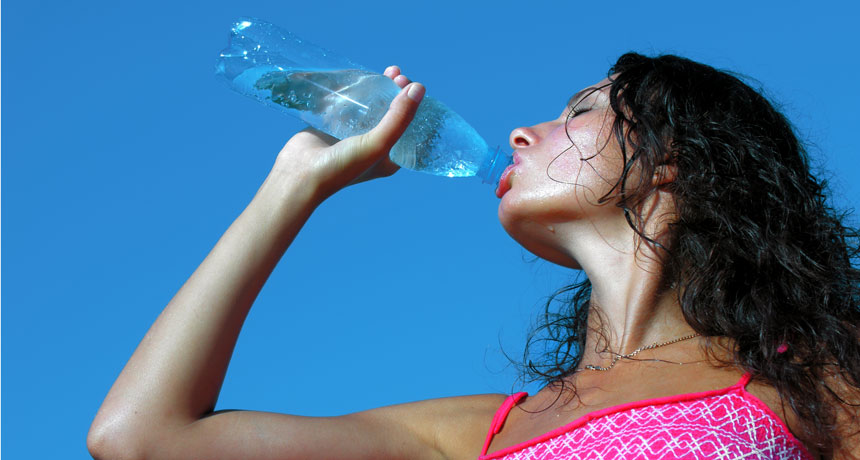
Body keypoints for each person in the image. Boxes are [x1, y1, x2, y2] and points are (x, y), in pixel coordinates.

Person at [88, 54, 860, 459]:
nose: (525, 132)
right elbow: (142, 438)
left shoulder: (813, 381)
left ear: (672, 162)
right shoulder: (479, 434)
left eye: (582, 112)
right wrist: (295, 183)